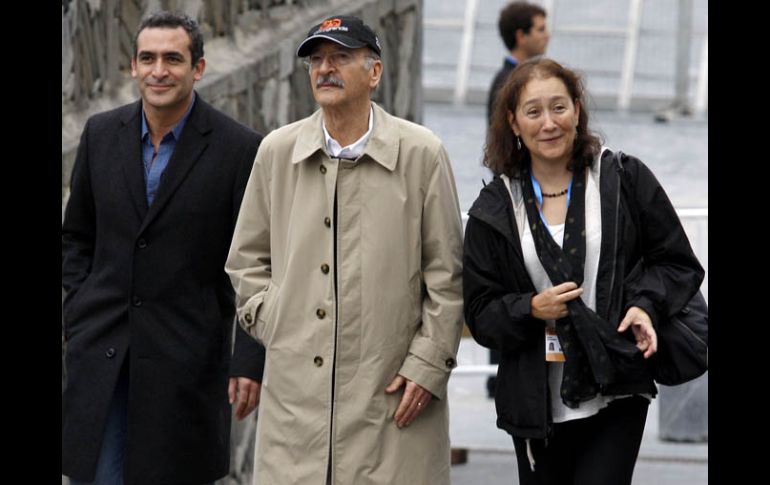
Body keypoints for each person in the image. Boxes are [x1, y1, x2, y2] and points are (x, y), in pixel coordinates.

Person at [225, 14, 464, 485]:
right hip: (296, 402)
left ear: (374, 72)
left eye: (340, 57)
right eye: (316, 60)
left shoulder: (422, 153)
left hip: (392, 398)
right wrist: (276, 319)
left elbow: (447, 274)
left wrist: (428, 365)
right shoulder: (277, 151)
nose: (324, 69)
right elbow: (246, 260)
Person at [463, 58, 704, 485]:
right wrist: (530, 308)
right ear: (513, 123)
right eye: (533, 112)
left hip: (618, 384)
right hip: (534, 400)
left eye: (559, 107)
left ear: (577, 109)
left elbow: (677, 262)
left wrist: (644, 305)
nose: (549, 123)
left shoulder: (622, 179)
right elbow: (481, 313)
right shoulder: (495, 209)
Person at [61, 11, 265, 485]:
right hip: (102, 356)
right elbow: (76, 238)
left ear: (198, 68)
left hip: (185, 365)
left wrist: (249, 361)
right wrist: (77, 311)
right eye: (148, 58)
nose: (159, 70)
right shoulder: (99, 135)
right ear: (132, 66)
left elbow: (257, 264)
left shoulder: (239, 149)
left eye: (173, 59)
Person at [487, 1, 550, 125]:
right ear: (521, 36)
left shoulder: (509, 77)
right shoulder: (509, 81)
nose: (547, 36)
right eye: (541, 30)